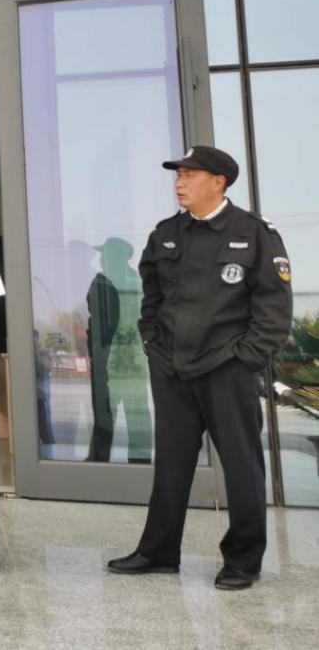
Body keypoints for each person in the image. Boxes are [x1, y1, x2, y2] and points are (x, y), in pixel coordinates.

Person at [107, 145, 292, 591]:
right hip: (173, 368)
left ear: (218, 182)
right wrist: (152, 343)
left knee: (242, 466)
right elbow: (151, 296)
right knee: (171, 465)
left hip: (228, 368)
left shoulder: (254, 233)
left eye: (190, 175)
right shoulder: (166, 234)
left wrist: (246, 358)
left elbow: (274, 306)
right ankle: (158, 551)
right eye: (178, 175)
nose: (180, 182)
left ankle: (243, 560)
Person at [86, 238, 152, 463]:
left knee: (110, 416)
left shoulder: (108, 283)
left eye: (104, 254)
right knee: (136, 415)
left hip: (117, 363)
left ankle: (99, 462)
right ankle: (139, 461)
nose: (101, 259)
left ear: (116, 257)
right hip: (131, 362)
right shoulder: (136, 281)